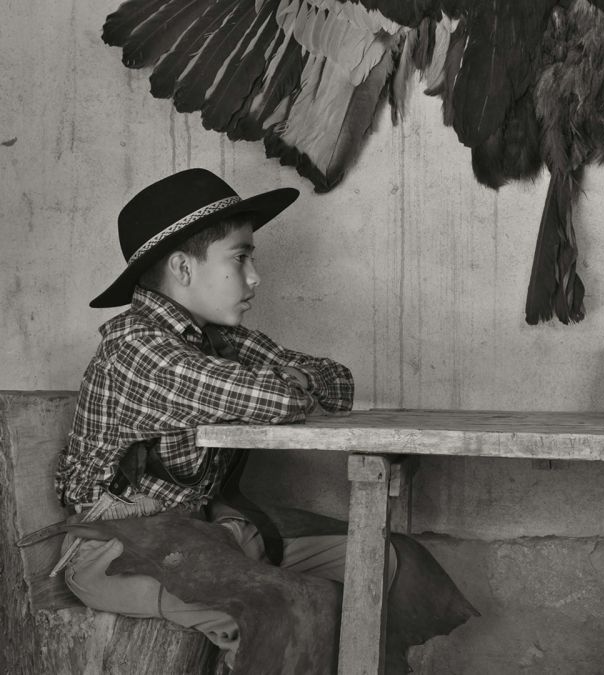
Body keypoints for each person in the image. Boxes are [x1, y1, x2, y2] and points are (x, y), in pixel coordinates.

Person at [53, 168, 474, 671]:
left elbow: (337, 383)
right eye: (240, 258)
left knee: (389, 560)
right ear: (183, 268)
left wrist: (290, 382)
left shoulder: (218, 338)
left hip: (206, 529)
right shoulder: (137, 350)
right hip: (119, 549)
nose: (255, 277)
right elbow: (275, 397)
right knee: (289, 607)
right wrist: (285, 385)